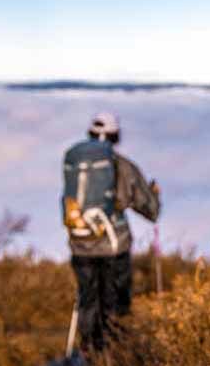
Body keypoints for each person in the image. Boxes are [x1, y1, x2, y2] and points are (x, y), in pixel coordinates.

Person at [62, 112, 160, 353]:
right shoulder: (122, 166)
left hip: (80, 243)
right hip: (114, 245)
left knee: (88, 297)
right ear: (116, 135)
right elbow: (149, 208)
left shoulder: (76, 164)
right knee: (115, 300)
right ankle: (113, 355)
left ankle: (88, 354)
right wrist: (155, 195)